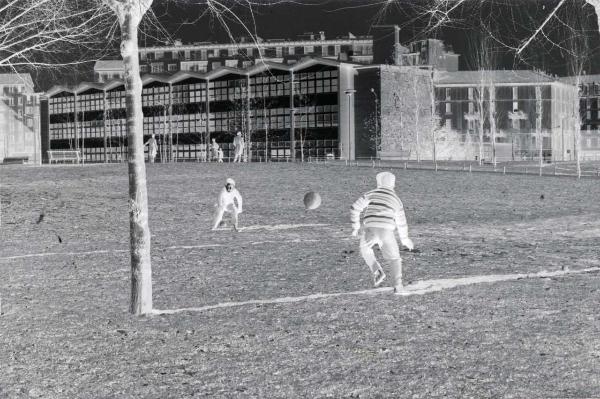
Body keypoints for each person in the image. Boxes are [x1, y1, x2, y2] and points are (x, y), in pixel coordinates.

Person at [350, 171, 414, 293]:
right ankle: (398, 285)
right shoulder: (397, 200)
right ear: (393, 185)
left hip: (369, 229)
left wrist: (356, 227)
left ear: (379, 182)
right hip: (387, 231)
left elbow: (354, 208)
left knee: (365, 250)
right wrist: (405, 240)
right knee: (394, 258)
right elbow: (402, 223)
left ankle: (376, 270)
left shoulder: (372, 193)